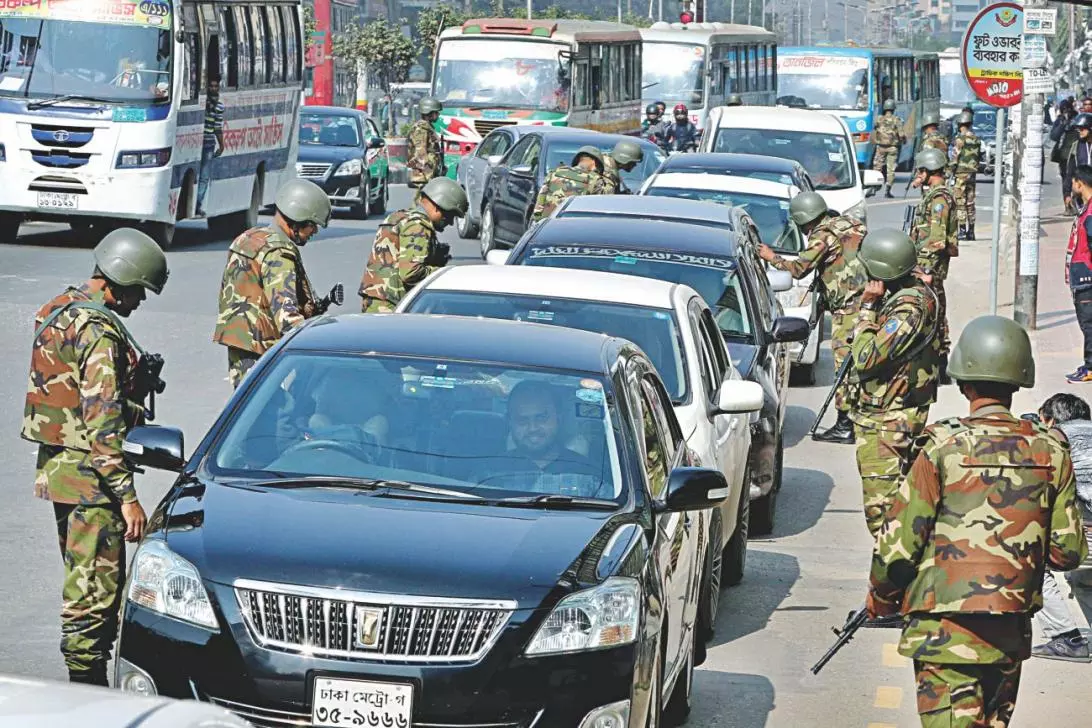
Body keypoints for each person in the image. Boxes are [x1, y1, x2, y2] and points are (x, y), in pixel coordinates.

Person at [867, 315, 1087, 728]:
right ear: (1020, 379)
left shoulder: (941, 447)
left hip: (943, 632)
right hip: (1008, 632)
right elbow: (1068, 552)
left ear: (964, 381)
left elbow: (897, 548)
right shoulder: (1050, 451)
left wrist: (880, 598)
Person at [22, 228, 169, 686]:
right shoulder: (98, 332)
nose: (139, 302)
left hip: (62, 471)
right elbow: (102, 421)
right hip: (93, 480)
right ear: (119, 279)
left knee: (81, 579)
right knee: (94, 592)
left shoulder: (57, 310)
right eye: (138, 291)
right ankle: (87, 692)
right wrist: (128, 497)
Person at [758, 191, 868, 444]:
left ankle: (845, 425)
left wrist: (771, 257)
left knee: (844, 366)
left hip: (849, 308)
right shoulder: (849, 223)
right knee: (859, 362)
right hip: (867, 301)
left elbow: (799, 269)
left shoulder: (822, 235)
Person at [850, 229, 940, 538]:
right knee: (898, 508)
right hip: (893, 411)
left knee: (883, 516)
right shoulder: (911, 296)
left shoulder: (907, 309)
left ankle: (892, 581)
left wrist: (867, 309)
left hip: (888, 419)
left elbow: (865, 356)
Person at [212, 178, 331, 388]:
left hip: (241, 341)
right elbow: (286, 315)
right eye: (312, 225)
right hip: (264, 349)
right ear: (298, 219)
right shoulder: (278, 253)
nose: (315, 232)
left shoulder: (248, 238)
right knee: (278, 414)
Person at [1033, 393, 1092, 661]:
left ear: (1051, 419)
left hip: (1085, 536)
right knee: (1082, 580)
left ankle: (1066, 638)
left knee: (1031, 562)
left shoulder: (1053, 442)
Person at [360, 176, 467, 313]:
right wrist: (442, 273)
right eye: (449, 215)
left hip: (375, 300)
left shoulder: (399, 217)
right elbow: (411, 273)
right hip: (390, 306)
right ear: (438, 206)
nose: (450, 222)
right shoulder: (418, 226)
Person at [477, 380, 600, 494]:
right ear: (510, 423)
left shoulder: (589, 477)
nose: (533, 428)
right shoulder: (488, 475)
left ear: (558, 418)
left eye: (541, 418)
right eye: (522, 420)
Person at [910, 148, 958, 384]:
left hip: (930, 268)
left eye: (921, 170)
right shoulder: (934, 196)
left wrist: (922, 269)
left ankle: (939, 366)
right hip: (929, 266)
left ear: (928, 170)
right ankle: (939, 365)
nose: (918, 175)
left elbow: (936, 240)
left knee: (934, 314)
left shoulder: (939, 199)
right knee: (935, 313)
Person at [1064, 165, 1092, 383]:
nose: (1071, 186)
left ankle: (1090, 367)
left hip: (1087, 279)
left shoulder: (1091, 213)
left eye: (1073, 183)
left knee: (1089, 324)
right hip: (1082, 277)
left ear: (1080, 184)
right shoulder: (1086, 208)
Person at [531, 145, 606, 222]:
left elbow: (541, 198)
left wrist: (536, 220)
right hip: (572, 226)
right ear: (594, 162)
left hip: (546, 223)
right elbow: (596, 211)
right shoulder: (596, 180)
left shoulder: (556, 171)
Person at [949, 111, 982, 241]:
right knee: (970, 203)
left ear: (960, 124)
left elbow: (954, 158)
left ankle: (962, 231)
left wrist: (950, 170)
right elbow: (978, 157)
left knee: (960, 202)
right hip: (972, 174)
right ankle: (971, 231)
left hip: (961, 174)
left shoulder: (960, 140)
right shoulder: (976, 139)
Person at [195, 77, 225, 217]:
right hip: (199, 143)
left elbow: (217, 128)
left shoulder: (218, 107)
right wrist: (222, 145)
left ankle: (197, 204)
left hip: (207, 144)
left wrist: (221, 144)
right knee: (202, 176)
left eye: (216, 86)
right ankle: (196, 204)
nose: (213, 89)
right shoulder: (203, 105)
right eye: (211, 86)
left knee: (204, 176)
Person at [407, 96, 445, 205]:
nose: (438, 115)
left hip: (429, 173)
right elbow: (420, 154)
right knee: (422, 203)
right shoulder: (420, 129)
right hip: (425, 174)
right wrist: (429, 175)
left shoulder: (427, 128)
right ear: (429, 113)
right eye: (436, 113)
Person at [872, 99, 905, 198]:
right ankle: (887, 190)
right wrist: (903, 140)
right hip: (892, 148)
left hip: (880, 147)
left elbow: (874, 129)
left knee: (877, 168)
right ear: (893, 108)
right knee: (890, 170)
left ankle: (873, 188)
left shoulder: (879, 119)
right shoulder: (896, 120)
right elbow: (901, 134)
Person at [1065, 113, 1092, 216]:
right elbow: (1070, 171)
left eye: (1082, 129)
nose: (1079, 131)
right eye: (1078, 129)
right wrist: (1067, 194)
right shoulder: (1077, 146)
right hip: (1082, 195)